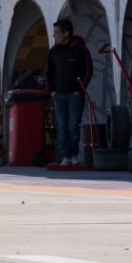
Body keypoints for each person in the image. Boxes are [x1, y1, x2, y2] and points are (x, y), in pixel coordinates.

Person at [46, 18, 93, 166]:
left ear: (66, 33)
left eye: (57, 33)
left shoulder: (80, 49)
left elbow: (88, 69)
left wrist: (80, 90)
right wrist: (52, 90)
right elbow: (48, 71)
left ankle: (74, 155)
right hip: (58, 95)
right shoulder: (53, 52)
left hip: (74, 95)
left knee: (73, 125)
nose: (55, 36)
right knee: (62, 126)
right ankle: (64, 156)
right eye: (54, 33)